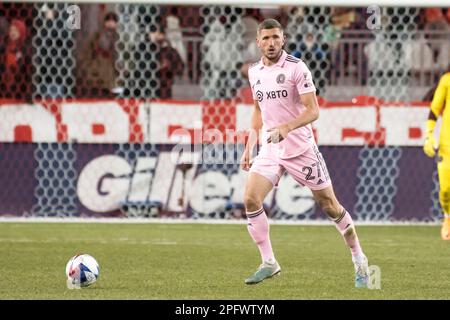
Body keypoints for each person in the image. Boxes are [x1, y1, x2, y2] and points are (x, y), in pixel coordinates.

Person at [240, 19, 370, 287]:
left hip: (300, 148)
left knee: (330, 206)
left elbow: (313, 110)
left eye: (275, 37)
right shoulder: (254, 72)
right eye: (265, 39)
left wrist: (286, 128)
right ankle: (269, 263)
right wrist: (249, 145)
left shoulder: (297, 68)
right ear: (258, 42)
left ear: (283, 39)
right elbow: (257, 110)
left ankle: (359, 260)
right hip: (271, 147)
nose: (271, 43)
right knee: (251, 200)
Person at [423, 65, 450, 240]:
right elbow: (434, 110)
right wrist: (428, 136)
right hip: (447, 145)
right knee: (446, 190)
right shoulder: (446, 80)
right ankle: (447, 217)